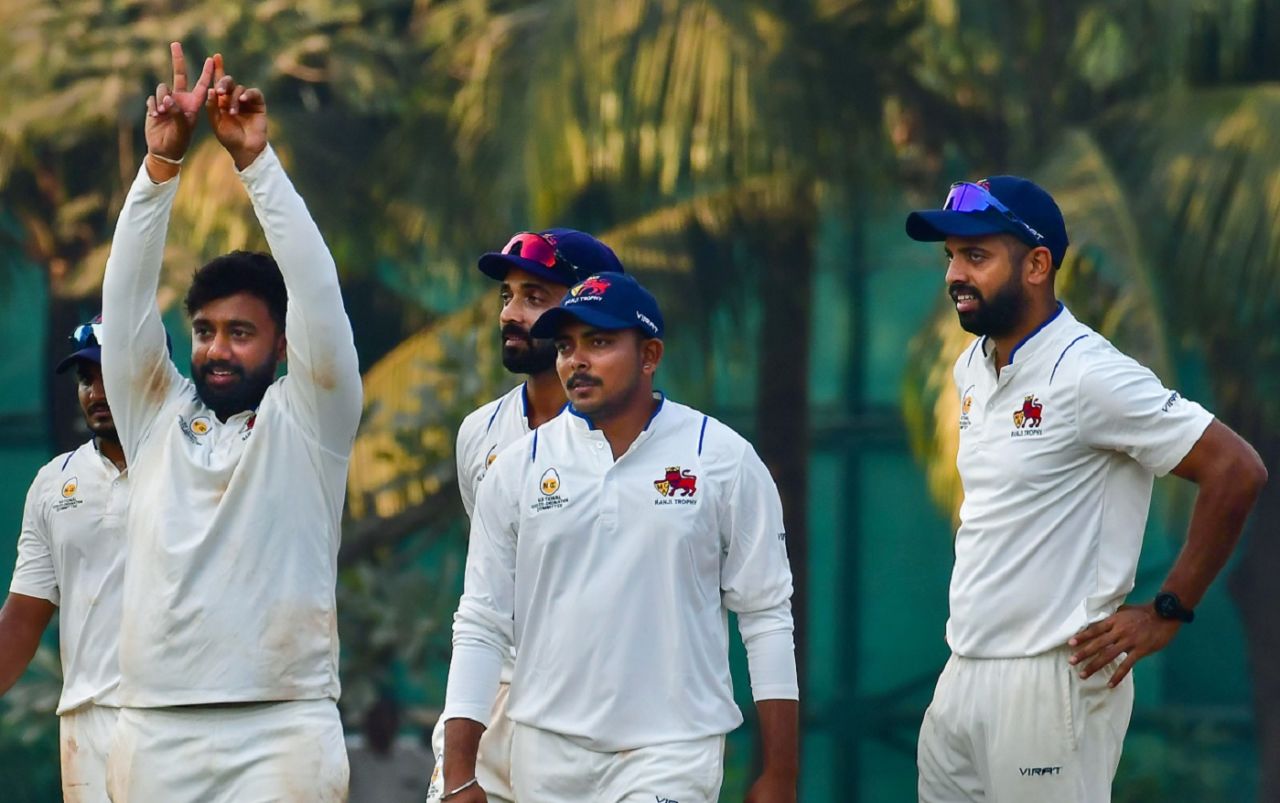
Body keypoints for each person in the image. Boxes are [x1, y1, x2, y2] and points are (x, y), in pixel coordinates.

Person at [905, 176, 1267, 802]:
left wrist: (1169, 610)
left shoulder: (1089, 374)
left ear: (1038, 263)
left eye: (977, 256)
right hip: (962, 676)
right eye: (951, 257)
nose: (955, 275)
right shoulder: (972, 366)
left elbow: (1236, 468)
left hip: (1053, 683)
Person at [99, 44, 361, 801]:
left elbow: (316, 292)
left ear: (281, 344)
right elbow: (123, 308)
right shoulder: (153, 414)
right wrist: (159, 170)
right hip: (151, 728)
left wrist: (256, 163)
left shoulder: (311, 420)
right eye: (205, 329)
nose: (216, 348)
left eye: (240, 332)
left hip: (283, 730)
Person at [440, 273, 799, 803]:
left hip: (673, 752)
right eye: (565, 346)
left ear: (649, 354)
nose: (575, 361)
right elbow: (480, 623)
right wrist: (459, 774)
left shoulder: (722, 458)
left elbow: (766, 615)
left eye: (599, 342)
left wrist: (780, 775)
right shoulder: (516, 468)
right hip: (544, 754)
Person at [425, 229, 625, 803]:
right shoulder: (479, 433)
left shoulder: (636, 440)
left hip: (596, 712)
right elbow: (491, 590)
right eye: (507, 297)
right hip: (490, 701)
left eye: (535, 297)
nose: (511, 314)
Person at [1, 318, 128, 802]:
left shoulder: (197, 460)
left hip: (179, 717)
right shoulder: (53, 483)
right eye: (84, 378)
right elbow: (21, 621)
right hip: (86, 724)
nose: (96, 391)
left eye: (110, 373)